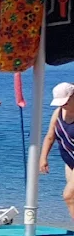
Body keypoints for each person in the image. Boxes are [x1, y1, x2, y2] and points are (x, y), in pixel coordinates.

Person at [39, 82, 74, 221]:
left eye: (65, 102)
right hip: (69, 162)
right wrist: (43, 158)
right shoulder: (58, 112)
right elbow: (50, 136)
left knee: (68, 196)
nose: (63, 105)